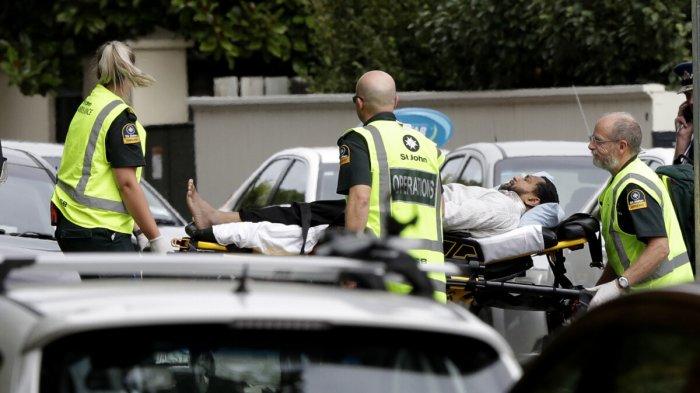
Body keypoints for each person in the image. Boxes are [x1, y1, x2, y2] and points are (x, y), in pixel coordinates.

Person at [184, 174, 560, 255]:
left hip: (400, 212)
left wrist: (400, 189)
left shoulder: (502, 205)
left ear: (532, 202)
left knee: (306, 218)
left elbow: (445, 210)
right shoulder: (503, 203)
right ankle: (220, 221)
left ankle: (219, 222)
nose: (517, 178)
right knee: (305, 215)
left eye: (527, 180)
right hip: (405, 209)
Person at [51, 41, 169, 253]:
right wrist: (155, 237)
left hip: (70, 225)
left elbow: (98, 177)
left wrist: (138, 228)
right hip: (100, 231)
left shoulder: (88, 106)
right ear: (129, 73)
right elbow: (126, 184)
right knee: (127, 288)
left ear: (98, 71)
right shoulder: (120, 118)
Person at [586, 112, 693, 308]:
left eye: (598, 141)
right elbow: (623, 252)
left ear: (621, 146)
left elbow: (659, 248)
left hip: (666, 299)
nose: (591, 146)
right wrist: (601, 289)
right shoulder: (619, 180)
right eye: (591, 139)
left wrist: (620, 284)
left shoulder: (633, 186)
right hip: (652, 297)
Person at [673, 61, 693, 165]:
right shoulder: (691, 133)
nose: (691, 101)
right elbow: (675, 180)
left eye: (696, 94)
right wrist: (682, 137)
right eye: (688, 95)